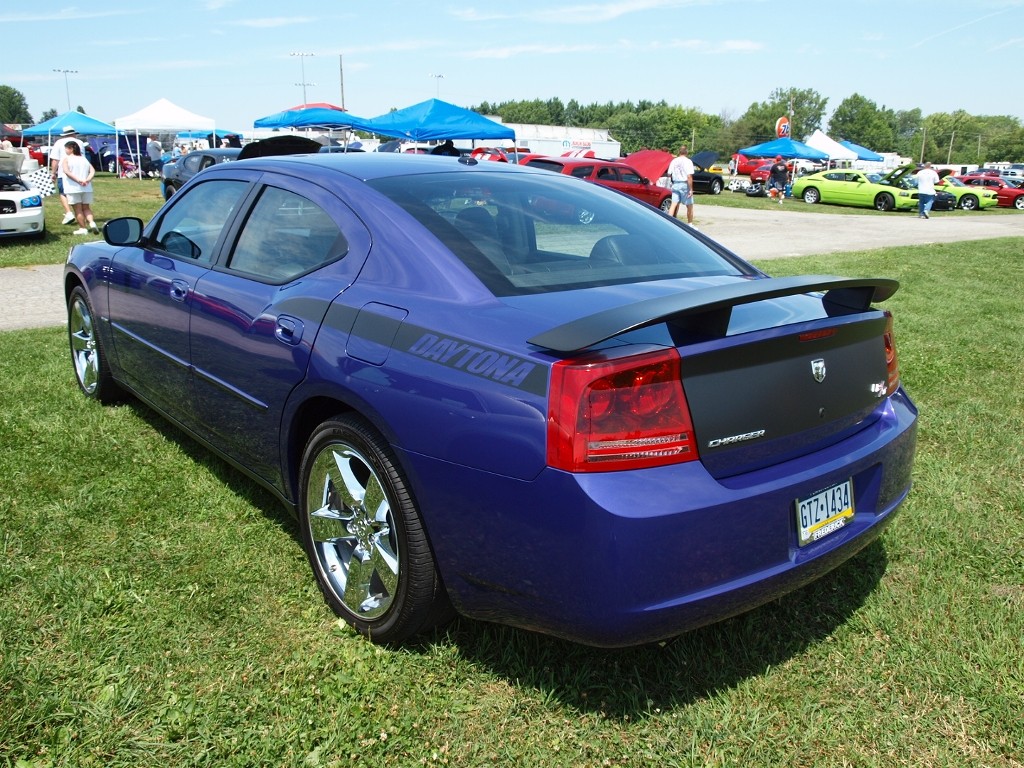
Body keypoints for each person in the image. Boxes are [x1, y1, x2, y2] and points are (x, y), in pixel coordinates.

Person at [49, 126, 86, 225]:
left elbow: (55, 159)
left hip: (63, 172)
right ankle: (81, 214)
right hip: (79, 173)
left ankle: (69, 212)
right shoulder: (80, 143)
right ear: (74, 134)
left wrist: (53, 172)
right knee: (78, 193)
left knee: (62, 192)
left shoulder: (59, 143)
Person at [60, 140, 98, 234]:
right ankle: (92, 222)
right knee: (86, 208)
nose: (65, 151)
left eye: (66, 148)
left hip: (73, 188)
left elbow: (67, 172)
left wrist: (78, 180)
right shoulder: (84, 159)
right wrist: (87, 180)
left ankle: (83, 228)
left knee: (78, 209)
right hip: (86, 187)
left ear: (71, 149)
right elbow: (92, 171)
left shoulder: (67, 159)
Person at [667, 144, 695, 225]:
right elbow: (689, 176)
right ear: (686, 152)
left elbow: (669, 174)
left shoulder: (674, 161)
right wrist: (691, 189)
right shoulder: (688, 161)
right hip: (684, 184)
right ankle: (690, 224)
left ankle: (669, 222)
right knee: (689, 205)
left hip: (675, 183)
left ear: (679, 152)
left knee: (673, 204)